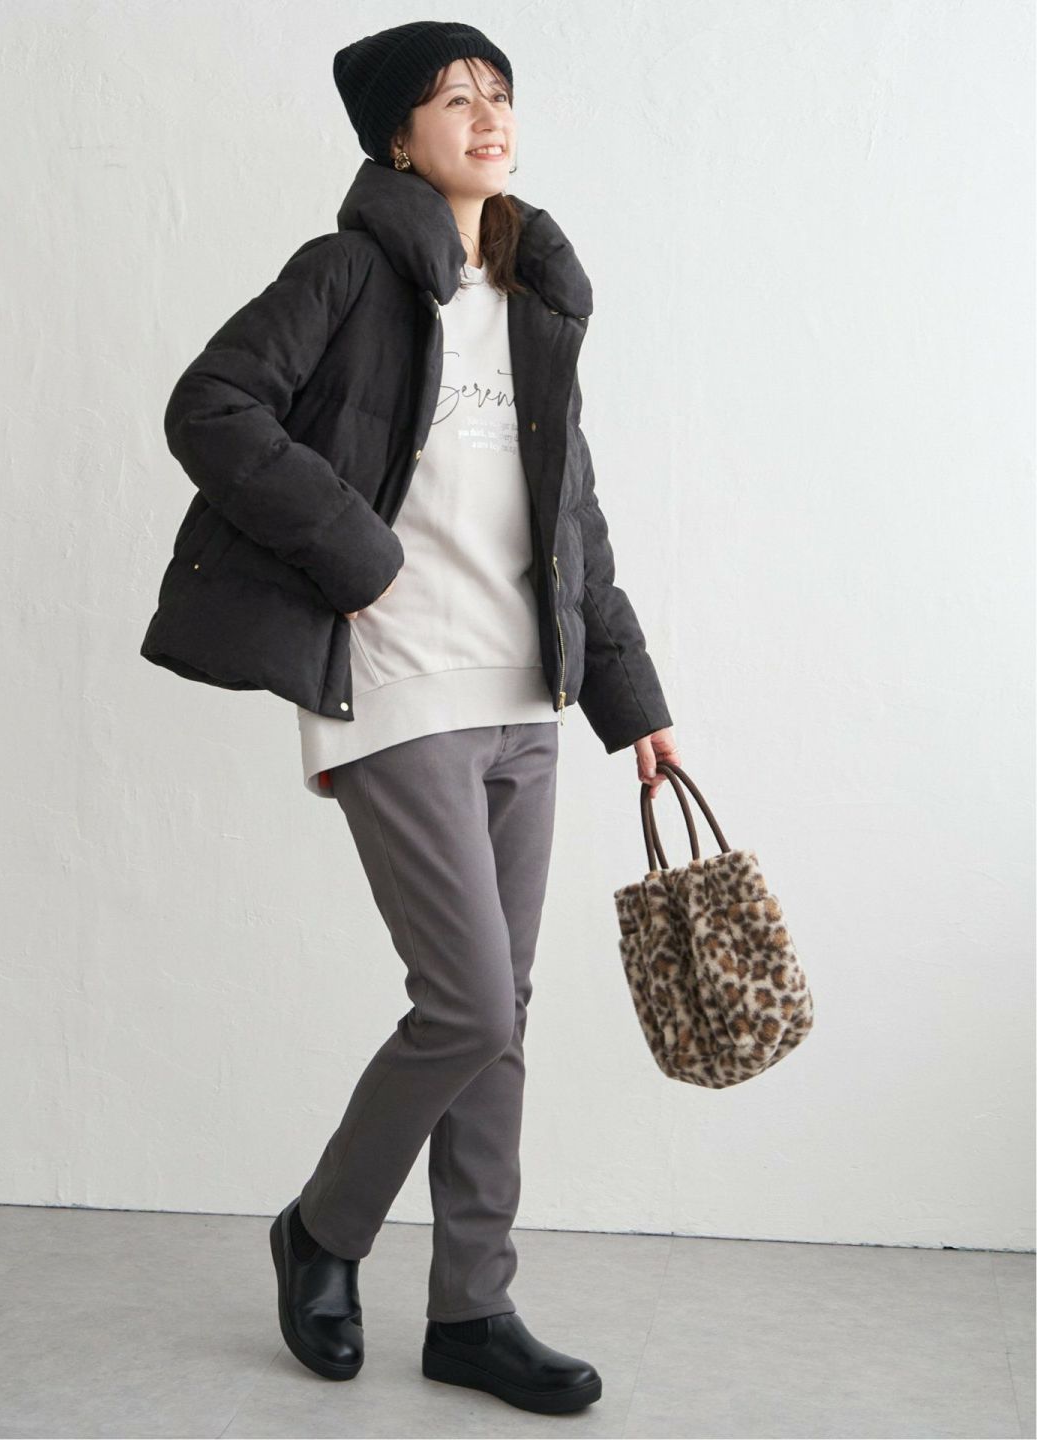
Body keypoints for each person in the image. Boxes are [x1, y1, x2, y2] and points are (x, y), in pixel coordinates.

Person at [144, 19, 681, 1418]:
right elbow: (211, 405)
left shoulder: (536, 300)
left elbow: (573, 517)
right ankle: (324, 1230)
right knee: (466, 1001)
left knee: (500, 1013)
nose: (488, 116)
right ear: (398, 136)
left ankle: (472, 1310)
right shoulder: (344, 274)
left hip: (524, 695)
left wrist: (633, 701)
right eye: (455, 98)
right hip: (393, 687)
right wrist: (356, 556)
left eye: (499, 93)